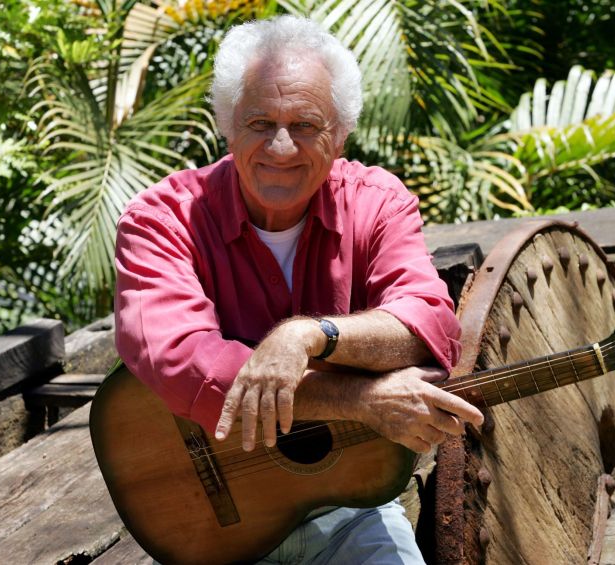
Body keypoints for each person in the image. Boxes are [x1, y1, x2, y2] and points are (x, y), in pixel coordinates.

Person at [114, 14, 484, 565]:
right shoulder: (160, 220)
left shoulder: (378, 203)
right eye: (260, 122)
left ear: (341, 133)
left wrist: (308, 337)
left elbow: (428, 323)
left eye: (306, 124)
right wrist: (359, 400)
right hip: (210, 531)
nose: (281, 147)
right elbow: (181, 360)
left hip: (352, 516)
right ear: (227, 125)